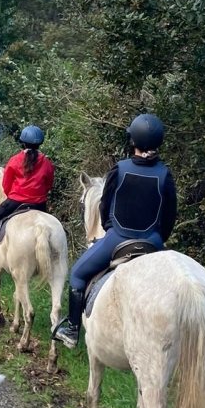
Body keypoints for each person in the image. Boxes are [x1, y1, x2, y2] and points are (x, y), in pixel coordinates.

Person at [53, 114, 177, 349]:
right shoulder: (165, 175)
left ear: (133, 141)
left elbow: (105, 205)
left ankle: (72, 329)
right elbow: (169, 216)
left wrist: (110, 228)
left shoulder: (120, 169)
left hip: (118, 239)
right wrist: (159, 239)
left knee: (77, 274)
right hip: (153, 243)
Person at [0, 125, 54, 258]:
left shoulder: (15, 160)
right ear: (40, 144)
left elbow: (6, 184)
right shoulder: (47, 163)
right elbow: (48, 184)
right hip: (39, 204)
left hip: (16, 201)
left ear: (23, 143)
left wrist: (12, 195)